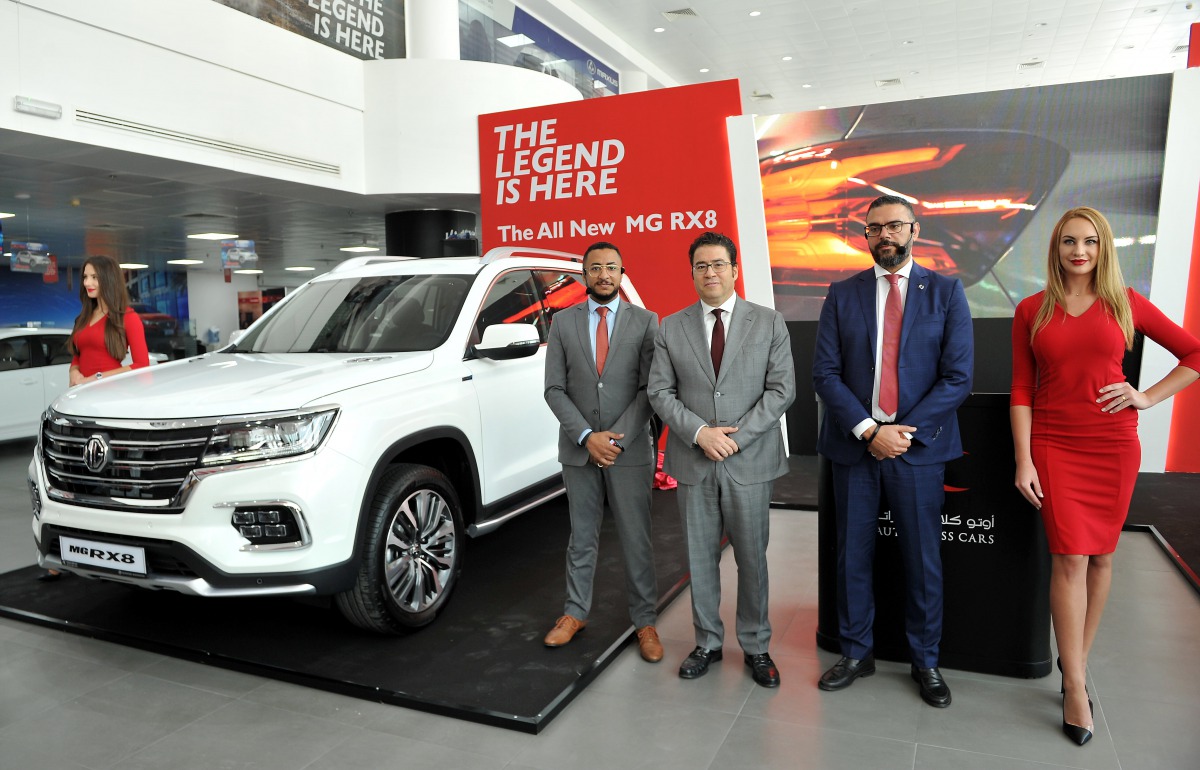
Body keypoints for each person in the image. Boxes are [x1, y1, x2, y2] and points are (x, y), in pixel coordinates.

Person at [1010, 206, 1200, 745]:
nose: (1079, 251)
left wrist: (1146, 397)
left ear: (1103, 248)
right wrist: (1023, 459)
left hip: (1113, 445)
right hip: (1053, 443)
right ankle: (1074, 682)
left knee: (1102, 556)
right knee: (1070, 556)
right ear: (1056, 247)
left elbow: (1194, 352)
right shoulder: (1032, 310)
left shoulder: (1125, 303)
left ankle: (1077, 659)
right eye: (1069, 241)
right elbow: (1022, 390)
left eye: (1090, 242)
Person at [812, 194, 973, 708]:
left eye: (895, 226)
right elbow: (825, 374)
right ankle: (857, 653)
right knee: (851, 556)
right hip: (856, 448)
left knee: (922, 560)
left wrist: (901, 432)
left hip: (917, 451)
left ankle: (926, 660)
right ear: (865, 235)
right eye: (875, 228)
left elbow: (958, 377)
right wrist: (867, 430)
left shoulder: (946, 291)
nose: (885, 236)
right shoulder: (842, 293)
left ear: (914, 229)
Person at [648, 231, 795, 687]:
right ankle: (707, 642)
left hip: (749, 461)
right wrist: (698, 433)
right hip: (694, 461)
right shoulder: (671, 327)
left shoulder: (769, 322)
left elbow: (781, 391)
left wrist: (733, 439)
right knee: (700, 556)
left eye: (717, 264)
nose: (709, 273)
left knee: (752, 558)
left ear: (734, 269)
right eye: (700, 266)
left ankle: (756, 646)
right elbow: (659, 391)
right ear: (692, 273)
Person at [542, 241, 663, 662]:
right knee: (582, 537)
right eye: (596, 268)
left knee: (636, 537)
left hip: (628, 450)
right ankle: (574, 613)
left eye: (611, 267)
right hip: (579, 451)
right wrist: (585, 436)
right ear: (584, 274)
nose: (604, 275)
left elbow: (652, 389)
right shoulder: (561, 323)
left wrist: (616, 438)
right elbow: (553, 389)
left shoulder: (647, 322)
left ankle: (645, 620)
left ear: (622, 272)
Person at [39, 255, 150, 582]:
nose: (88, 283)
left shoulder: (127, 319)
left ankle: (117, 549)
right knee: (68, 479)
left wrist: (95, 377)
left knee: (104, 480)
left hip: (109, 408)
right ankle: (62, 549)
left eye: (94, 277)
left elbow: (143, 366)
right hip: (77, 407)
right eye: (85, 277)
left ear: (108, 280)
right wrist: (74, 371)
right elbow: (76, 357)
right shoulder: (83, 317)